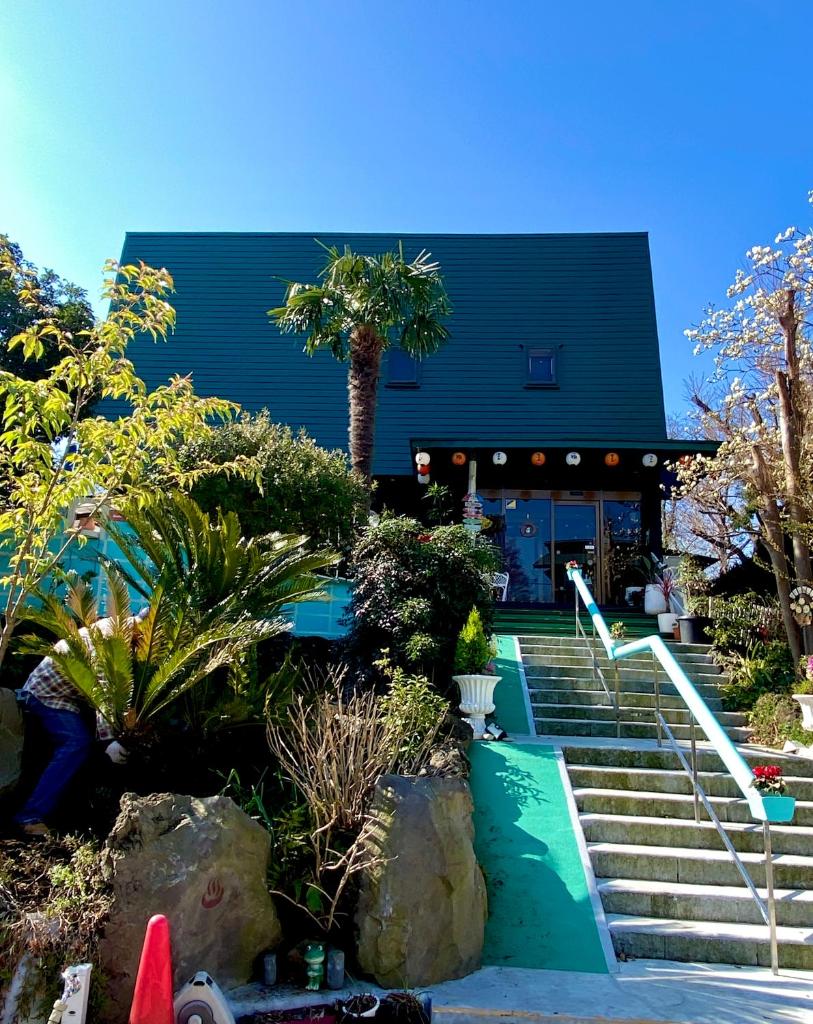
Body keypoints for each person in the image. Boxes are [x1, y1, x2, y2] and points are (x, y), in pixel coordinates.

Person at [13, 609, 148, 837]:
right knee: (77, 743)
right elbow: (102, 689)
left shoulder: (122, 630)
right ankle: (29, 817)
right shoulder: (114, 639)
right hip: (46, 694)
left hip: (69, 696)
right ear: (143, 628)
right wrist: (108, 740)